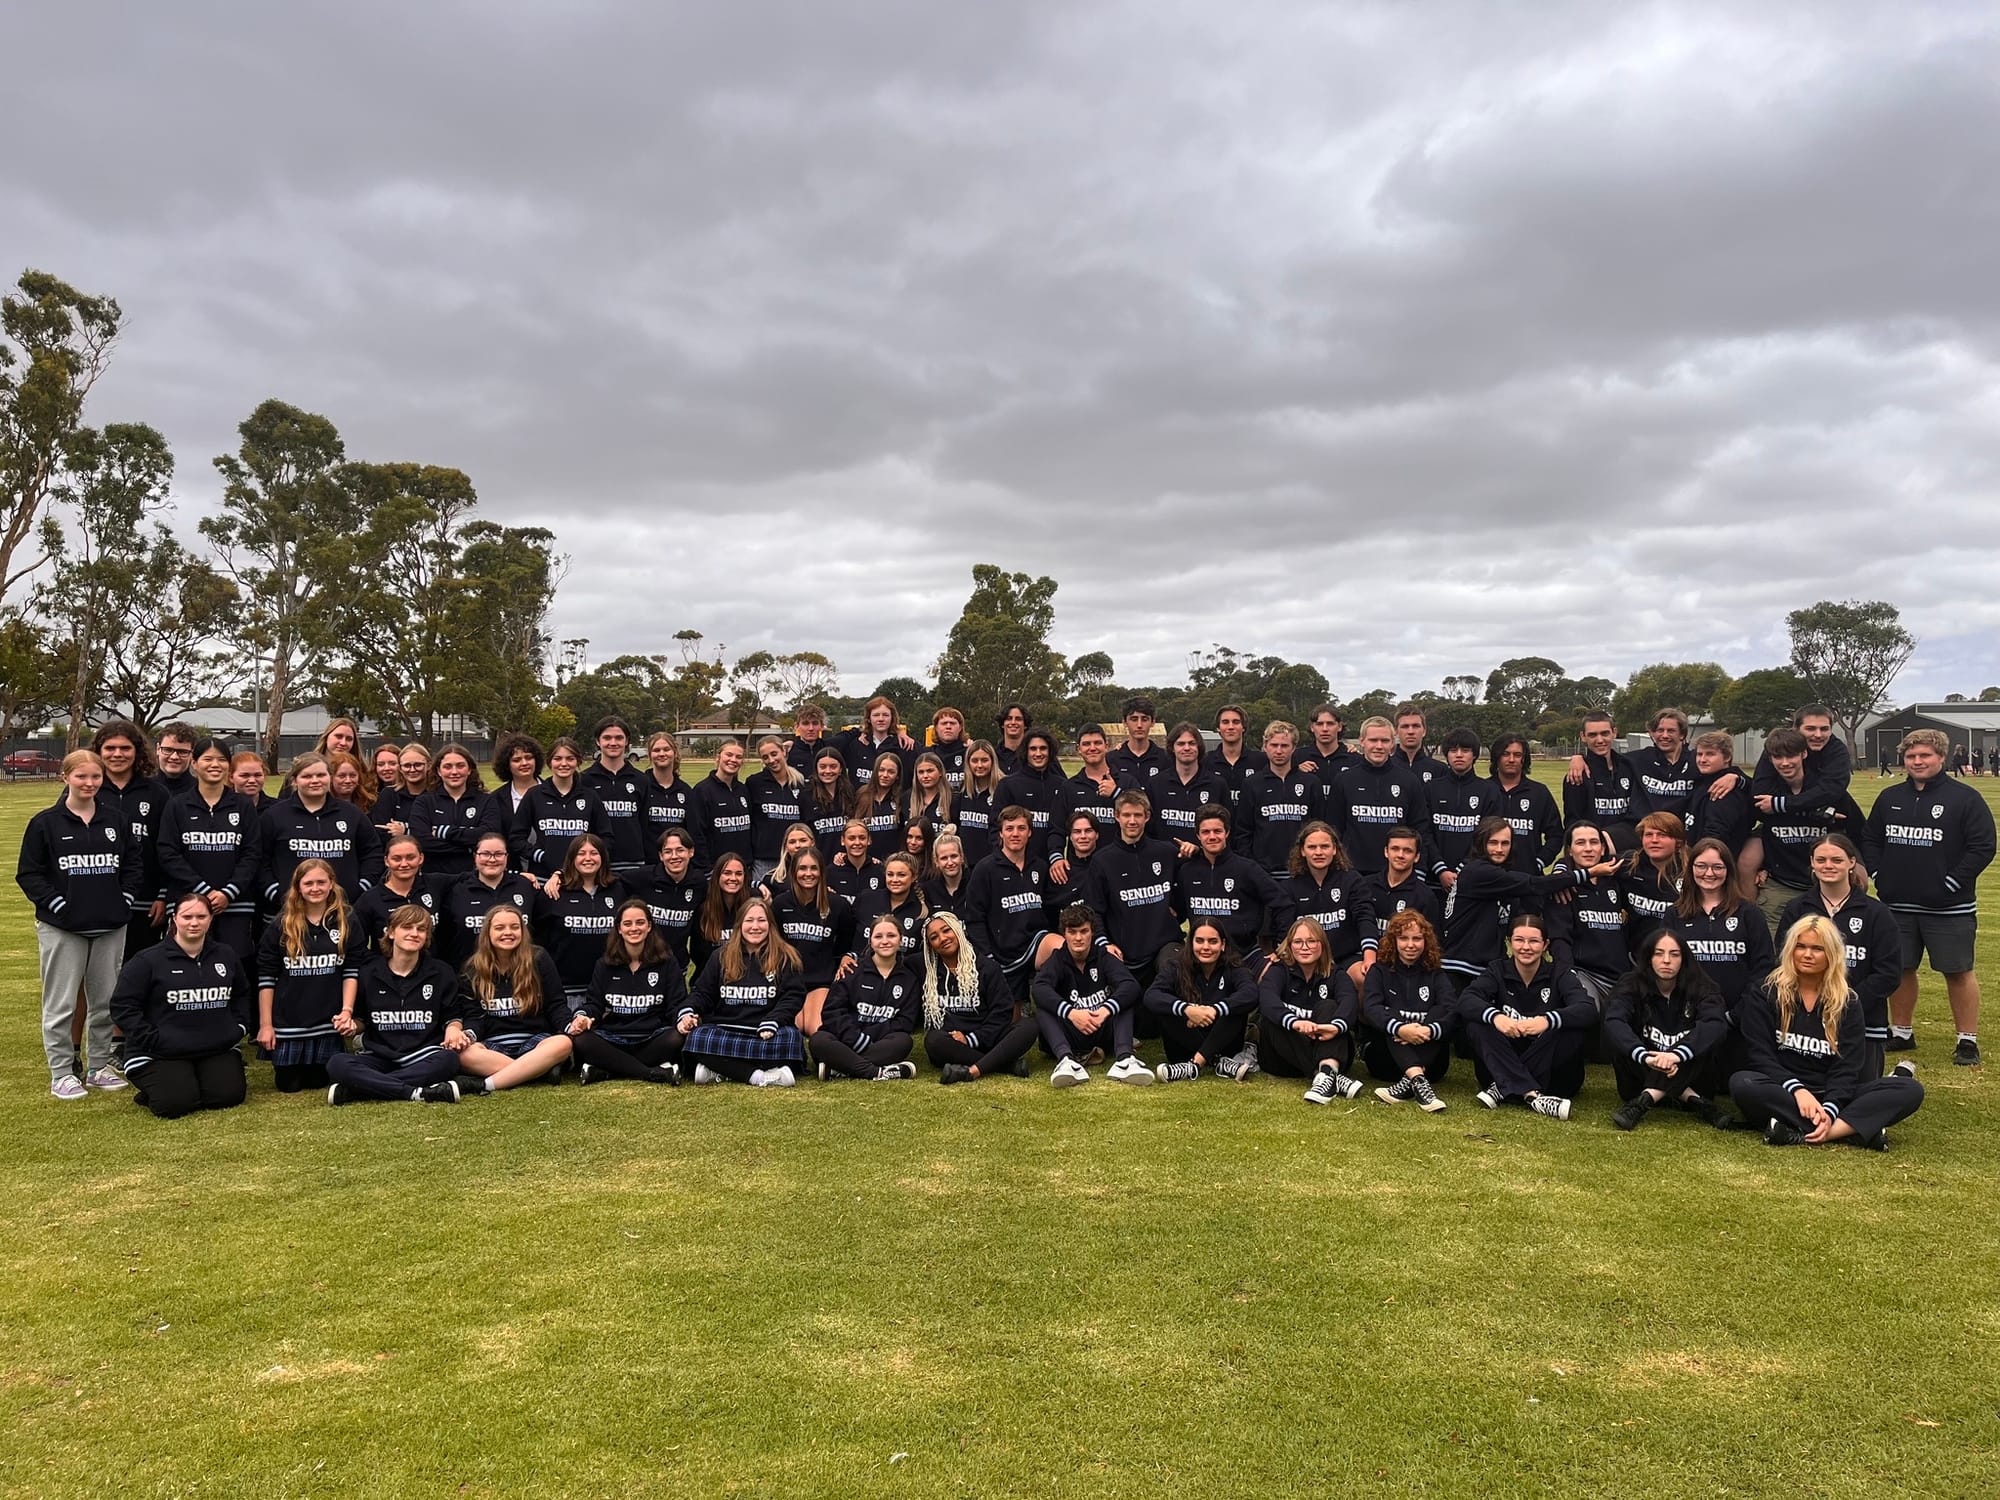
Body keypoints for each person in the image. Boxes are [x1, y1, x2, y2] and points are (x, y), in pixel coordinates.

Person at [1728, 916, 1924, 1148]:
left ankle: (1814, 1132)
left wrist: (1830, 1107)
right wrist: (1797, 1090)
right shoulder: (1765, 992)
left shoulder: (1848, 1001)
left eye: (1817, 949)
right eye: (1801, 946)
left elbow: (1847, 1067)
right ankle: (1852, 1130)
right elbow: (1760, 1056)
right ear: (1790, 950)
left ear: (1831, 954)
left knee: (1908, 1089)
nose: (1807, 954)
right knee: (1743, 1083)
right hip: (1783, 1089)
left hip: (1832, 1092)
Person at [1864, 728, 1995, 1066]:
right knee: (1900, 968)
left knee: (1957, 971)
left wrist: (1951, 882)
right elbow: (1871, 840)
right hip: (1897, 905)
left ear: (1941, 757)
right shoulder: (1890, 797)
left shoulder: (1964, 798)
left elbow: (1982, 846)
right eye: (1911, 756)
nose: (1917, 761)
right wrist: (1878, 875)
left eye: (1925, 755)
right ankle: (1902, 1032)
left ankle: (1967, 1040)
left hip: (1949, 907)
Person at [18, 749, 144, 1098]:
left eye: (95, 777)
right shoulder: (45, 823)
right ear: (66, 777)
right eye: (81, 776)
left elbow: (133, 866)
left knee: (105, 1001)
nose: (89, 783)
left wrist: (124, 900)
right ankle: (61, 1072)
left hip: (109, 926)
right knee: (61, 1004)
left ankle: (98, 1067)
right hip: (63, 928)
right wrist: (59, 905)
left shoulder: (116, 820)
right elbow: (29, 874)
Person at [111, 892, 253, 1119]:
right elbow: (123, 1006)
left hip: (214, 1047)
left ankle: (191, 1080)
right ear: (174, 918)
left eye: (201, 916)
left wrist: (237, 1028)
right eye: (187, 917)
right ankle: (161, 1087)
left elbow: (242, 994)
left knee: (228, 1096)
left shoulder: (226, 955)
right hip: (161, 1053)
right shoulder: (147, 960)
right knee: (175, 1104)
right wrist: (151, 1038)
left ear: (210, 919)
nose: (194, 923)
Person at [1777, 834, 1901, 1075]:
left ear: (1852, 862)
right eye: (1821, 860)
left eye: (1836, 860)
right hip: (1805, 1024)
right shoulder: (1797, 909)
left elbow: (1889, 973)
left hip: (1863, 1022)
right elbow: (1783, 962)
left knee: (1861, 1093)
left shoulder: (1876, 913)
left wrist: (1844, 1005)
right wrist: (1812, 1005)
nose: (1828, 866)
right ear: (1812, 863)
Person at [327, 904, 475, 1104]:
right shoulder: (369, 973)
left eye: (421, 929)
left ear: (427, 936)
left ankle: (360, 1090)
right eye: (407, 927)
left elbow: (452, 1016)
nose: (414, 933)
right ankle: (415, 1092)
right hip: (379, 1056)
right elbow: (362, 1020)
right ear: (390, 932)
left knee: (448, 1061)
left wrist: (454, 1029)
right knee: (337, 1063)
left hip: (423, 1055)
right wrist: (352, 1026)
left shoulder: (441, 972)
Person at [1458, 913, 1596, 1119]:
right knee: (1477, 1024)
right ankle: (1532, 1095)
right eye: (1519, 940)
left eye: (1533, 941)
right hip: (1506, 1059)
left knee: (1569, 1028)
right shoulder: (1497, 969)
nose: (1526, 947)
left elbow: (1587, 1008)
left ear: (1545, 944)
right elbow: (1466, 999)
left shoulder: (1560, 972)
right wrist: (1496, 1017)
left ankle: (1506, 1086)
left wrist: (1547, 1020)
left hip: (1553, 1076)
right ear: (1509, 943)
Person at [1441, 817, 1594, 983]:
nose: (1499, 849)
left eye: (1505, 843)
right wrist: (1589, 873)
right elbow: (1533, 884)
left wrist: (1560, 873)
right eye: (1493, 843)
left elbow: (1527, 906)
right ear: (1481, 843)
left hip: (1485, 967)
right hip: (1460, 968)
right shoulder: (1479, 872)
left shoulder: (1500, 877)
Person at [1667, 839, 1775, 1074]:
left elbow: (1764, 969)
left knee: (1736, 1082)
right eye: (1701, 866)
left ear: (1729, 870)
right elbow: (1665, 966)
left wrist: (1737, 1014)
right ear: (1691, 869)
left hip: (1738, 1021)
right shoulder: (1674, 914)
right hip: (1689, 1019)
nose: (1709, 873)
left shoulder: (1749, 913)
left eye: (1717, 867)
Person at [1603, 928, 1729, 1129]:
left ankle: (1648, 1098)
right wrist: (1646, 1057)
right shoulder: (1631, 983)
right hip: (1639, 1076)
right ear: (1648, 957)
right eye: (1659, 953)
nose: (1667, 961)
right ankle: (1692, 1099)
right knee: (1619, 1039)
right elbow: (1614, 1021)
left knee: (1706, 1043)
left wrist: (1676, 1055)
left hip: (1693, 1076)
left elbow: (1715, 1023)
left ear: (1684, 959)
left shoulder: (1702, 986)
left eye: (1674, 954)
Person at [255, 858, 362, 1093]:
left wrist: (346, 1012)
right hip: (289, 1024)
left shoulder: (347, 920)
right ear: (298, 887)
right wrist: (266, 1025)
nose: (315, 888)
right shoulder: (281, 924)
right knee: (289, 1085)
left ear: (331, 883)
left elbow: (351, 971)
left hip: (327, 1025)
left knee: (318, 1081)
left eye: (321, 882)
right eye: (308, 883)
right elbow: (266, 978)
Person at [157, 735, 264, 964]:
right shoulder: (177, 805)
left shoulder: (243, 805)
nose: (215, 765)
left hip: (234, 904)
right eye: (207, 759)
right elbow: (168, 853)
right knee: (185, 965)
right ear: (194, 763)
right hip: (188, 903)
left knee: (232, 966)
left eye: (221, 759)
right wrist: (202, 891)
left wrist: (228, 892)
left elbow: (252, 853)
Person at [680, 896, 808, 1086]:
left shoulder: (786, 956)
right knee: (697, 1038)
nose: (755, 927)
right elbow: (703, 992)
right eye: (749, 920)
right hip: (727, 1028)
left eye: (761, 920)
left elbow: (793, 997)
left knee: (791, 1039)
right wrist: (689, 1012)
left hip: (768, 1031)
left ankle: (720, 1069)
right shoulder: (721, 956)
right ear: (739, 925)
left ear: (771, 925)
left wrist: (774, 1020)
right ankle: (759, 1076)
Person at [1754, 727, 1866, 934]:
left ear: (1804, 754)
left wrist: (1861, 864)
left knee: (1832, 945)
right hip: (1781, 884)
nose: (1785, 763)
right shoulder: (1766, 792)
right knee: (1772, 947)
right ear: (1770, 759)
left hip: (1824, 886)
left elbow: (1857, 828)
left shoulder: (1827, 792)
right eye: (1778, 757)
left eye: (1791, 756)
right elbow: (1753, 823)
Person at [452, 905, 573, 1091]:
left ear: (522, 931)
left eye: (515, 927)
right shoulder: (472, 968)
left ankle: (486, 1084)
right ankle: (538, 1072)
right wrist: (467, 1035)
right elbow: (474, 1016)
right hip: (493, 1046)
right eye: (499, 928)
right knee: (464, 1055)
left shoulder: (538, 958)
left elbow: (556, 1004)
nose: (508, 932)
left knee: (563, 1043)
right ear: (488, 933)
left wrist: (569, 1026)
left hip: (535, 1043)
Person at [566, 899, 686, 1085]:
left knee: (676, 1037)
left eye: (640, 922)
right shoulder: (604, 964)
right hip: (613, 1038)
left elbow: (676, 1004)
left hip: (652, 1037)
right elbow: (594, 1004)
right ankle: (651, 1072)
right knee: (581, 1039)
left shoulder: (667, 963)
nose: (634, 928)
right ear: (619, 929)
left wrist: (683, 1019)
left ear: (649, 926)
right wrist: (582, 1017)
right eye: (627, 924)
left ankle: (608, 1069)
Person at [1030, 905, 1152, 1087]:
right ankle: (1066, 1061)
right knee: (1043, 1007)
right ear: (1064, 934)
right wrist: (1072, 1013)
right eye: (1072, 932)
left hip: (1101, 1026)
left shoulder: (1103, 956)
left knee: (1124, 1000)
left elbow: (1130, 985)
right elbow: (1039, 988)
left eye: (1084, 931)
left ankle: (1125, 1060)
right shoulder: (1057, 959)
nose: (1078, 938)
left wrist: (1105, 1010)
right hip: (1071, 1032)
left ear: (1092, 932)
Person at [1257, 916, 1366, 1103]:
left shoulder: (1336, 974)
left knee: (1329, 1006)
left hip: (1325, 1047)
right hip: (1283, 1060)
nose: (1304, 947)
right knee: (1272, 1020)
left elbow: (1350, 1003)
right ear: (1290, 945)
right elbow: (1267, 1000)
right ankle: (1329, 1076)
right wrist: (1295, 1023)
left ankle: (1326, 1072)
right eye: (1298, 942)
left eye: (1311, 941)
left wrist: (1336, 1027)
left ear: (1322, 944)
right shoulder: (1279, 970)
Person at [924, 912, 1039, 1083]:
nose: (942, 938)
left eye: (946, 930)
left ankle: (971, 1071)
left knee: (1028, 1026)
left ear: (958, 930)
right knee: (933, 1040)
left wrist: (971, 1039)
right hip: (953, 1044)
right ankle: (1005, 1065)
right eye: (934, 937)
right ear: (930, 946)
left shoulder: (987, 967)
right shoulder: (926, 970)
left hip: (989, 1038)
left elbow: (1002, 1013)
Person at [1359, 910, 1456, 1111]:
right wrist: (1400, 1029)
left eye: (1417, 939)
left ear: (1426, 941)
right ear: (1393, 941)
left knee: (1439, 1013)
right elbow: (1371, 1009)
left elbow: (1452, 1011)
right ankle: (1419, 1081)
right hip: (1385, 1062)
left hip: (1432, 1065)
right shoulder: (1379, 971)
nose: (1410, 945)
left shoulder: (1436, 973)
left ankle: (1411, 1081)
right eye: (1403, 938)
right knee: (1390, 1016)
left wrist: (1428, 1030)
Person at [963, 807, 1062, 1002]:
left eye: (1021, 828)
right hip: (1003, 952)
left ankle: (1054, 1004)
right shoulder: (985, 869)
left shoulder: (1040, 867)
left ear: (1030, 832)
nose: (1015, 834)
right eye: (1009, 829)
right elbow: (975, 918)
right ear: (1000, 833)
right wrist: (988, 956)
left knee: (1063, 949)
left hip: (1036, 942)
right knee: (1012, 1016)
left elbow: (1051, 909)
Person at [1084, 791, 1182, 985]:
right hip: (1124, 952)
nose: (1132, 821)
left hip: (1165, 944)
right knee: (1130, 1000)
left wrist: (1179, 913)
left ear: (1147, 816)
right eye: (1127, 815)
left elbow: (1189, 886)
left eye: (1137, 815)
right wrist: (1104, 943)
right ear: (1116, 816)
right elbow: (1093, 910)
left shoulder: (1167, 852)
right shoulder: (1102, 860)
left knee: (1174, 971)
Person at [90, 720, 168, 964]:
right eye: (110, 748)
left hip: (145, 902)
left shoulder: (157, 793)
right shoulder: (87, 789)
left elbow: (168, 848)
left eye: (125, 748)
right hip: (97, 901)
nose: (117, 754)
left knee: (139, 969)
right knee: (97, 974)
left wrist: (163, 896)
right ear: (99, 752)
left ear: (137, 751)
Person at [260, 752, 383, 906]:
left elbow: (373, 853)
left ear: (330, 777)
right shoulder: (274, 815)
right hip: (290, 909)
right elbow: (260, 859)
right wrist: (274, 892)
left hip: (343, 907)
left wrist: (361, 888)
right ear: (294, 781)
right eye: (307, 776)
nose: (315, 781)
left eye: (321, 775)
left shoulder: (352, 814)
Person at [812, 914, 923, 1081]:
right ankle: (878, 1072)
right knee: (819, 1040)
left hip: (879, 1043)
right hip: (845, 1041)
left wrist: (868, 1037)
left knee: (903, 1041)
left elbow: (905, 1022)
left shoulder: (909, 979)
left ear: (901, 939)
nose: (885, 941)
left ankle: (840, 1068)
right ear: (870, 941)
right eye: (878, 936)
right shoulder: (851, 970)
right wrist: (855, 1038)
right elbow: (831, 1013)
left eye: (891, 935)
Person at [1142, 919, 1257, 1080]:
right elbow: (1151, 995)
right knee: (1165, 1007)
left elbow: (1251, 993)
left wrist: (1215, 1010)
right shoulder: (1176, 966)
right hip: (1183, 1049)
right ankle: (1217, 1062)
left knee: (1236, 1008)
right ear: (1191, 943)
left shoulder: (1234, 967)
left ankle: (1194, 1065)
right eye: (1199, 941)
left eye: (1213, 941)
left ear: (1223, 944)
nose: (1206, 947)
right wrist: (1187, 1009)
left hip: (1224, 1044)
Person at [1176, 803, 1291, 961]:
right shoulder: (1187, 871)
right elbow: (1177, 912)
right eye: (1205, 832)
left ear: (1227, 832)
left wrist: (1280, 948)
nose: (1212, 837)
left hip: (1244, 957)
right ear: (1198, 835)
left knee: (1274, 974)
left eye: (1217, 831)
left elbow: (1283, 904)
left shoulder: (1247, 869)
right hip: (1202, 958)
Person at [1325, 717, 1431, 875]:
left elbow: (1420, 829)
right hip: (1352, 873)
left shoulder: (1409, 781)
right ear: (1362, 741)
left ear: (1392, 743)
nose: (1379, 746)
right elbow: (1333, 829)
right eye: (1373, 740)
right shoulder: (1344, 780)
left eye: (1385, 741)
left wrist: (1420, 870)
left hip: (1396, 873)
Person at [1542, 822, 1631, 1005]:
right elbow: (1559, 940)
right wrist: (1567, 976)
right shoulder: (1563, 889)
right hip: (1585, 974)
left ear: (1603, 848)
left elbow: (1642, 855)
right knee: (1586, 1011)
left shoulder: (1616, 880)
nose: (1588, 849)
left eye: (1594, 842)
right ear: (1569, 850)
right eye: (1580, 843)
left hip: (1621, 977)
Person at [771, 844, 855, 1034]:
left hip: (820, 980)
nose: (808, 874)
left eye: (813, 868)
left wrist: (846, 957)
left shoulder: (837, 905)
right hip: (788, 980)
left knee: (814, 1028)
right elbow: (773, 944)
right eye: (802, 868)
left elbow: (846, 943)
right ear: (793, 872)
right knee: (793, 1027)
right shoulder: (780, 904)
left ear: (822, 872)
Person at [1282, 820, 1377, 987]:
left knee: (1365, 977)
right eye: (1312, 847)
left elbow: (1365, 918)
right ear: (1302, 851)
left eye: (1325, 846)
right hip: (1307, 961)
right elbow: (1283, 931)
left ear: (1334, 849)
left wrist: (1369, 958)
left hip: (1346, 958)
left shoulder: (1352, 880)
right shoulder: (1289, 887)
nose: (1318, 852)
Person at [540, 833, 626, 1009]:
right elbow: (538, 937)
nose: (588, 858)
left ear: (603, 857)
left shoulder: (618, 889)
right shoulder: (554, 892)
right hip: (565, 990)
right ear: (572, 858)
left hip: (610, 987)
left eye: (594, 853)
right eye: (581, 853)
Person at [437, 832, 546, 966]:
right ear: (475, 857)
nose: (492, 859)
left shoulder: (526, 887)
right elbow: (445, 936)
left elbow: (541, 931)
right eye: (485, 854)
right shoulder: (457, 890)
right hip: (468, 972)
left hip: (519, 971)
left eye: (499, 854)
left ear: (507, 857)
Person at [1232, 719, 1320, 877]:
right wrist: (1252, 867)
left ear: (1293, 748)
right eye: (1274, 745)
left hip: (1303, 872)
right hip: (1264, 872)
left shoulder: (1311, 783)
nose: (1279, 751)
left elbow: (1320, 827)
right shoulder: (1252, 784)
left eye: (1284, 746)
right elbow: (1243, 831)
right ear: (1265, 746)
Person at [511, 736, 605, 881]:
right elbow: (516, 838)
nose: (564, 764)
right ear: (550, 762)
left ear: (578, 762)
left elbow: (606, 837)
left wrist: (587, 858)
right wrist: (541, 856)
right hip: (543, 877)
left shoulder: (590, 796)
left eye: (570, 759)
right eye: (558, 758)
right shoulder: (534, 795)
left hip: (580, 878)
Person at [405, 743, 502, 880]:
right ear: (439, 771)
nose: (454, 772)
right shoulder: (424, 802)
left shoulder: (486, 801)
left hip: (475, 879)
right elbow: (422, 842)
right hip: (434, 879)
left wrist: (445, 832)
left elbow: (490, 837)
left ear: (469, 769)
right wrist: (469, 847)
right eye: (448, 767)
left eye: (460, 766)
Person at [1562, 712, 1639, 855]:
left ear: (1614, 733)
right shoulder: (1577, 775)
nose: (1599, 740)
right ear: (1583, 736)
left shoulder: (1631, 767)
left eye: (1605, 733)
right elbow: (1573, 823)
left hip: (1629, 852)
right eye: (1592, 735)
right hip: (1594, 854)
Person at [580, 717, 648, 872]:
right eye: (607, 738)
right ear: (598, 741)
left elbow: (645, 824)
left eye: (618, 738)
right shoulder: (584, 780)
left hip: (633, 863)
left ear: (626, 741)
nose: (613, 742)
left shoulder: (641, 780)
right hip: (595, 863)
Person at [995, 728, 1069, 871]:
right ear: (1025, 751)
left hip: (1051, 866)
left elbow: (1061, 828)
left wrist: (1056, 856)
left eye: (1043, 748)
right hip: (1015, 866)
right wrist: (1002, 861)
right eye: (1033, 749)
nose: (1038, 754)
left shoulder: (1062, 785)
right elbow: (995, 826)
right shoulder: (1008, 784)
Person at [1488, 733, 1562, 873]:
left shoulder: (1539, 792)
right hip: (1489, 876)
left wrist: (1540, 862)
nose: (1511, 759)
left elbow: (1556, 835)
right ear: (1497, 757)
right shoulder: (1484, 790)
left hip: (1528, 878)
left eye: (1517, 755)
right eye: (1505, 754)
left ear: (1524, 759)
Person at [353, 833, 444, 947]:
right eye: (396, 859)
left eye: (410, 857)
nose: (404, 864)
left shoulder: (437, 884)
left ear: (421, 858)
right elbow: (357, 947)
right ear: (386, 861)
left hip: (433, 958)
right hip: (387, 958)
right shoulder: (369, 900)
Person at [1424, 727, 1491, 880]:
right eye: (1453, 750)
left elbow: (1487, 837)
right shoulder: (1430, 789)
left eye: (1465, 750)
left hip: (1473, 877)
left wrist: (1464, 868)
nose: (1459, 755)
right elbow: (1424, 832)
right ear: (1446, 754)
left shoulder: (1488, 790)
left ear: (1474, 754)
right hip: (1435, 876)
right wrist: (1440, 869)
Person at [1153, 720, 1226, 856]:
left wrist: (1200, 849)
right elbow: (1149, 829)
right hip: (1165, 861)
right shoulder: (1156, 783)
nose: (1187, 748)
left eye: (1192, 743)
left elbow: (1227, 829)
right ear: (1172, 748)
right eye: (1181, 744)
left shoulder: (1217, 785)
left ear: (1199, 747)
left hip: (1203, 862)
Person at [631, 826, 702, 967]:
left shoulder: (699, 883)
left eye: (680, 850)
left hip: (678, 965)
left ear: (691, 852)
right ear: (661, 856)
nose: (674, 856)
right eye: (668, 851)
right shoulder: (642, 877)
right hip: (646, 963)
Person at [1359, 826, 1442, 939]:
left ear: (1417, 857)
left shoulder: (1425, 897)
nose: (1400, 855)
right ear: (1386, 851)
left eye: (1407, 851)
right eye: (1395, 849)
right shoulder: (1364, 886)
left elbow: (1431, 940)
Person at [746, 735, 807, 887]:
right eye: (765, 757)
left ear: (783, 752)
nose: (771, 760)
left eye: (774, 754)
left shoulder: (800, 783)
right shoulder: (754, 783)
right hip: (765, 859)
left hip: (795, 857)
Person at [689, 738, 754, 875]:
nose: (733, 760)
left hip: (743, 869)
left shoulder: (744, 790)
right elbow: (697, 834)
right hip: (716, 870)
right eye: (729, 755)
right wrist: (706, 869)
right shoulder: (702, 790)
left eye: (738, 757)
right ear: (718, 757)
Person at [851, 851, 929, 966]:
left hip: (904, 973)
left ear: (914, 877)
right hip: (863, 970)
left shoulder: (922, 911)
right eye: (890, 874)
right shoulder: (866, 899)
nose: (895, 880)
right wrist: (848, 956)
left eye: (901, 875)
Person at [1621, 811, 1688, 940]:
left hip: (1676, 947)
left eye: (1662, 835)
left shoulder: (1692, 872)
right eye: (1648, 835)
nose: (1654, 840)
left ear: (1678, 842)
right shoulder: (1627, 865)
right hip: (1636, 948)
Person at [1684, 731, 1754, 855]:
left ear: (1727, 757)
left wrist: (1702, 857)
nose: (1702, 760)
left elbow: (1716, 834)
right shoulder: (1704, 780)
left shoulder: (1724, 789)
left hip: (1711, 858)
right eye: (1699, 754)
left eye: (1710, 754)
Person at [1626, 708, 1697, 820]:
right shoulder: (1639, 759)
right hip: (1645, 826)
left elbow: (1720, 768)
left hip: (1680, 827)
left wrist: (1728, 777)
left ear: (1682, 735)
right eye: (1660, 730)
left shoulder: (1697, 761)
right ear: (1653, 733)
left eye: (1671, 731)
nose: (1665, 735)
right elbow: (1606, 760)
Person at [1066, 724, 1133, 834]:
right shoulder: (1069, 786)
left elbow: (1140, 816)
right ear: (1078, 749)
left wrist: (1116, 794)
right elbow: (1057, 830)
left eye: (1097, 743)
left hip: (1118, 845)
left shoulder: (1127, 782)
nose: (1092, 748)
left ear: (1106, 746)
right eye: (1086, 744)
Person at [838, 695, 916, 787]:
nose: (881, 719)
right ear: (868, 718)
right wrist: (860, 731)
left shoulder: (905, 745)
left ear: (892, 718)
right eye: (876, 715)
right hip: (860, 796)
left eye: (885, 715)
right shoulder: (854, 744)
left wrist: (899, 731)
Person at [953, 741, 1004, 868]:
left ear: (993, 761)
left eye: (984, 760)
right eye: (975, 761)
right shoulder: (962, 789)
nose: (979, 765)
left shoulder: (1003, 789)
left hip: (991, 863)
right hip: (965, 864)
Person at [1205, 703, 1266, 808]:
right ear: (1218, 728)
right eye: (1225, 722)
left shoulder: (1262, 761)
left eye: (1236, 722)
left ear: (1243, 727)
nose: (1230, 727)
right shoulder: (1205, 762)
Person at [803, 747, 858, 862]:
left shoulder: (851, 794)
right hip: (818, 862)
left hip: (847, 862)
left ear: (841, 769)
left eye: (833, 766)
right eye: (823, 767)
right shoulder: (806, 796)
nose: (828, 771)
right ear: (816, 768)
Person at [640, 731, 693, 845]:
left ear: (675, 752)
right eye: (656, 750)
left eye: (666, 749)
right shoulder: (641, 787)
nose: (662, 754)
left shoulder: (686, 791)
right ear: (650, 754)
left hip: (675, 855)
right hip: (647, 855)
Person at [852, 750, 906, 861]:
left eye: (891, 772)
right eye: (881, 770)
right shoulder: (861, 794)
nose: (885, 775)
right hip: (865, 862)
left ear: (897, 776)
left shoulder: (902, 798)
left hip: (894, 863)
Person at [1107, 695, 1170, 783]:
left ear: (1152, 722)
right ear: (1124, 723)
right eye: (1134, 719)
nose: (1139, 725)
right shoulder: (1111, 759)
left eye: (1144, 719)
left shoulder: (1166, 759)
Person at [827, 819, 885, 907]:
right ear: (843, 840)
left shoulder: (880, 870)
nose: (857, 843)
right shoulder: (831, 872)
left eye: (862, 838)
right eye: (851, 838)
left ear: (869, 840)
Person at [1390, 704, 1448, 789]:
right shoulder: (1384, 767)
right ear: (1396, 732)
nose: (1410, 731)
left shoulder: (1440, 770)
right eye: (1405, 726)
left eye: (1416, 726)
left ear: (1424, 731)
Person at [491, 732, 545, 824]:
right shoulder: (495, 799)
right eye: (516, 760)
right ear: (507, 765)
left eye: (528, 757)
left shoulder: (554, 792)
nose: (524, 763)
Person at [904, 750, 955, 836]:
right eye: (921, 772)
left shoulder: (953, 799)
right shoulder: (906, 798)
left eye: (930, 771)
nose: (925, 776)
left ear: (940, 772)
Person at [922, 831, 971, 916]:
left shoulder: (975, 886)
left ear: (962, 857)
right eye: (944, 858)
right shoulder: (928, 891)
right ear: (936, 862)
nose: (950, 862)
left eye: (954, 856)